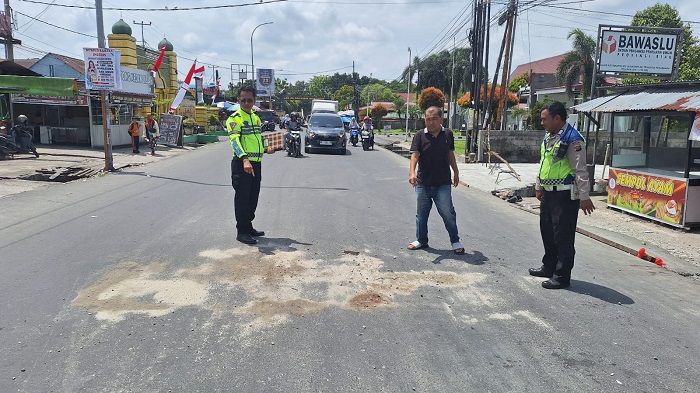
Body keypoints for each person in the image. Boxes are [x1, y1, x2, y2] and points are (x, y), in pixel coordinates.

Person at [530, 101, 595, 289]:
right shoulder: (548, 137)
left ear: (557, 118)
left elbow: (580, 170)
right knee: (547, 232)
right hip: (548, 195)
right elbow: (544, 162)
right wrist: (538, 185)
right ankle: (548, 266)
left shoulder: (573, 139)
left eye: (544, 119)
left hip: (565, 196)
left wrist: (584, 197)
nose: (542, 123)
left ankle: (561, 276)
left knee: (563, 237)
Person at [407, 106, 464, 255]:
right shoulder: (420, 135)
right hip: (423, 183)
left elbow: (450, 154)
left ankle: (455, 240)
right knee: (421, 214)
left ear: (441, 119)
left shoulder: (448, 134)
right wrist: (412, 172)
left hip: (443, 183)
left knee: (448, 213)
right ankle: (421, 240)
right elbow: (415, 155)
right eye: (427, 119)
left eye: (434, 119)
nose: (430, 122)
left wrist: (456, 172)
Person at [227, 86, 275, 245]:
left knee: (253, 198)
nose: (247, 103)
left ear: (254, 101)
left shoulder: (255, 117)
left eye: (250, 100)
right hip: (242, 165)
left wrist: (267, 147)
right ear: (238, 100)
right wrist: (245, 159)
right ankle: (242, 231)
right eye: (243, 100)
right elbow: (235, 141)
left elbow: (258, 138)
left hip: (256, 164)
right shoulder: (234, 119)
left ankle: (248, 227)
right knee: (242, 199)